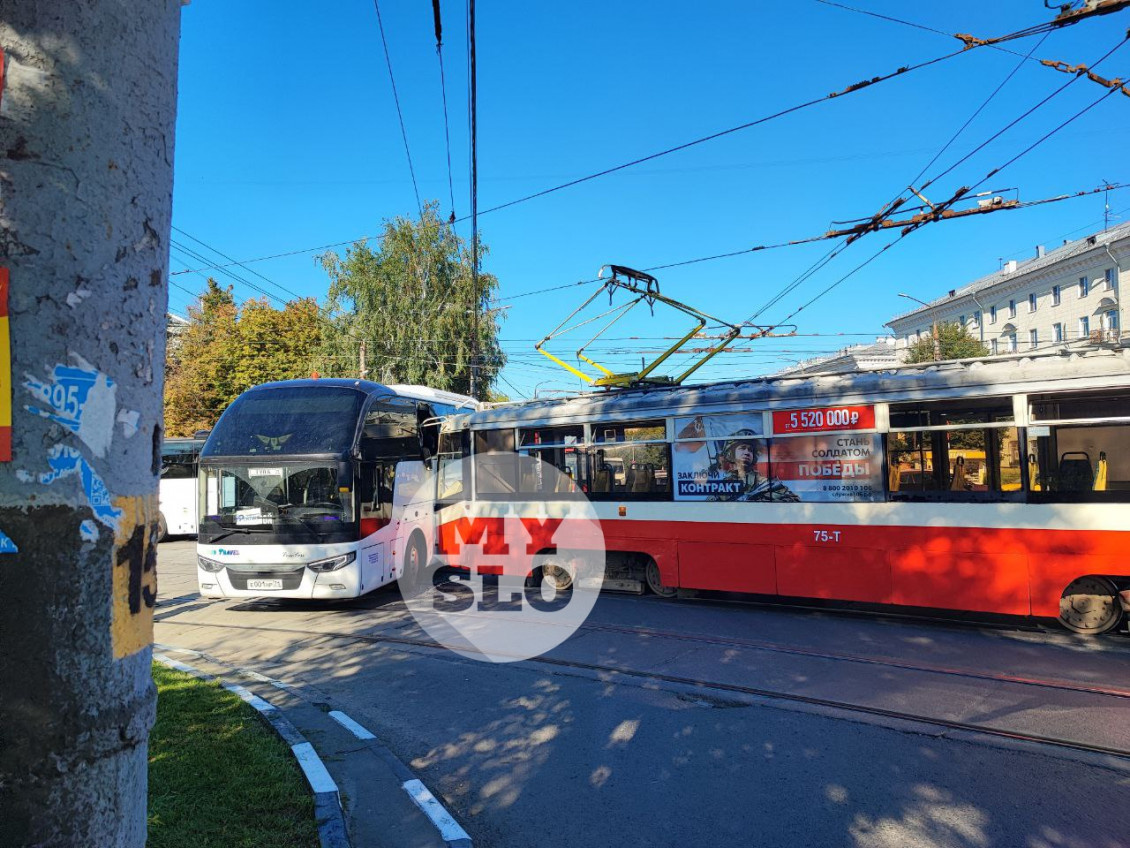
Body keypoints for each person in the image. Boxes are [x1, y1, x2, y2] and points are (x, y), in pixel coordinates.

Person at [709, 430, 798, 502]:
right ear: (731, 454)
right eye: (742, 448)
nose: (747, 452)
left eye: (750, 450)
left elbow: (794, 500)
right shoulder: (723, 486)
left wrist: (763, 501)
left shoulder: (766, 483)